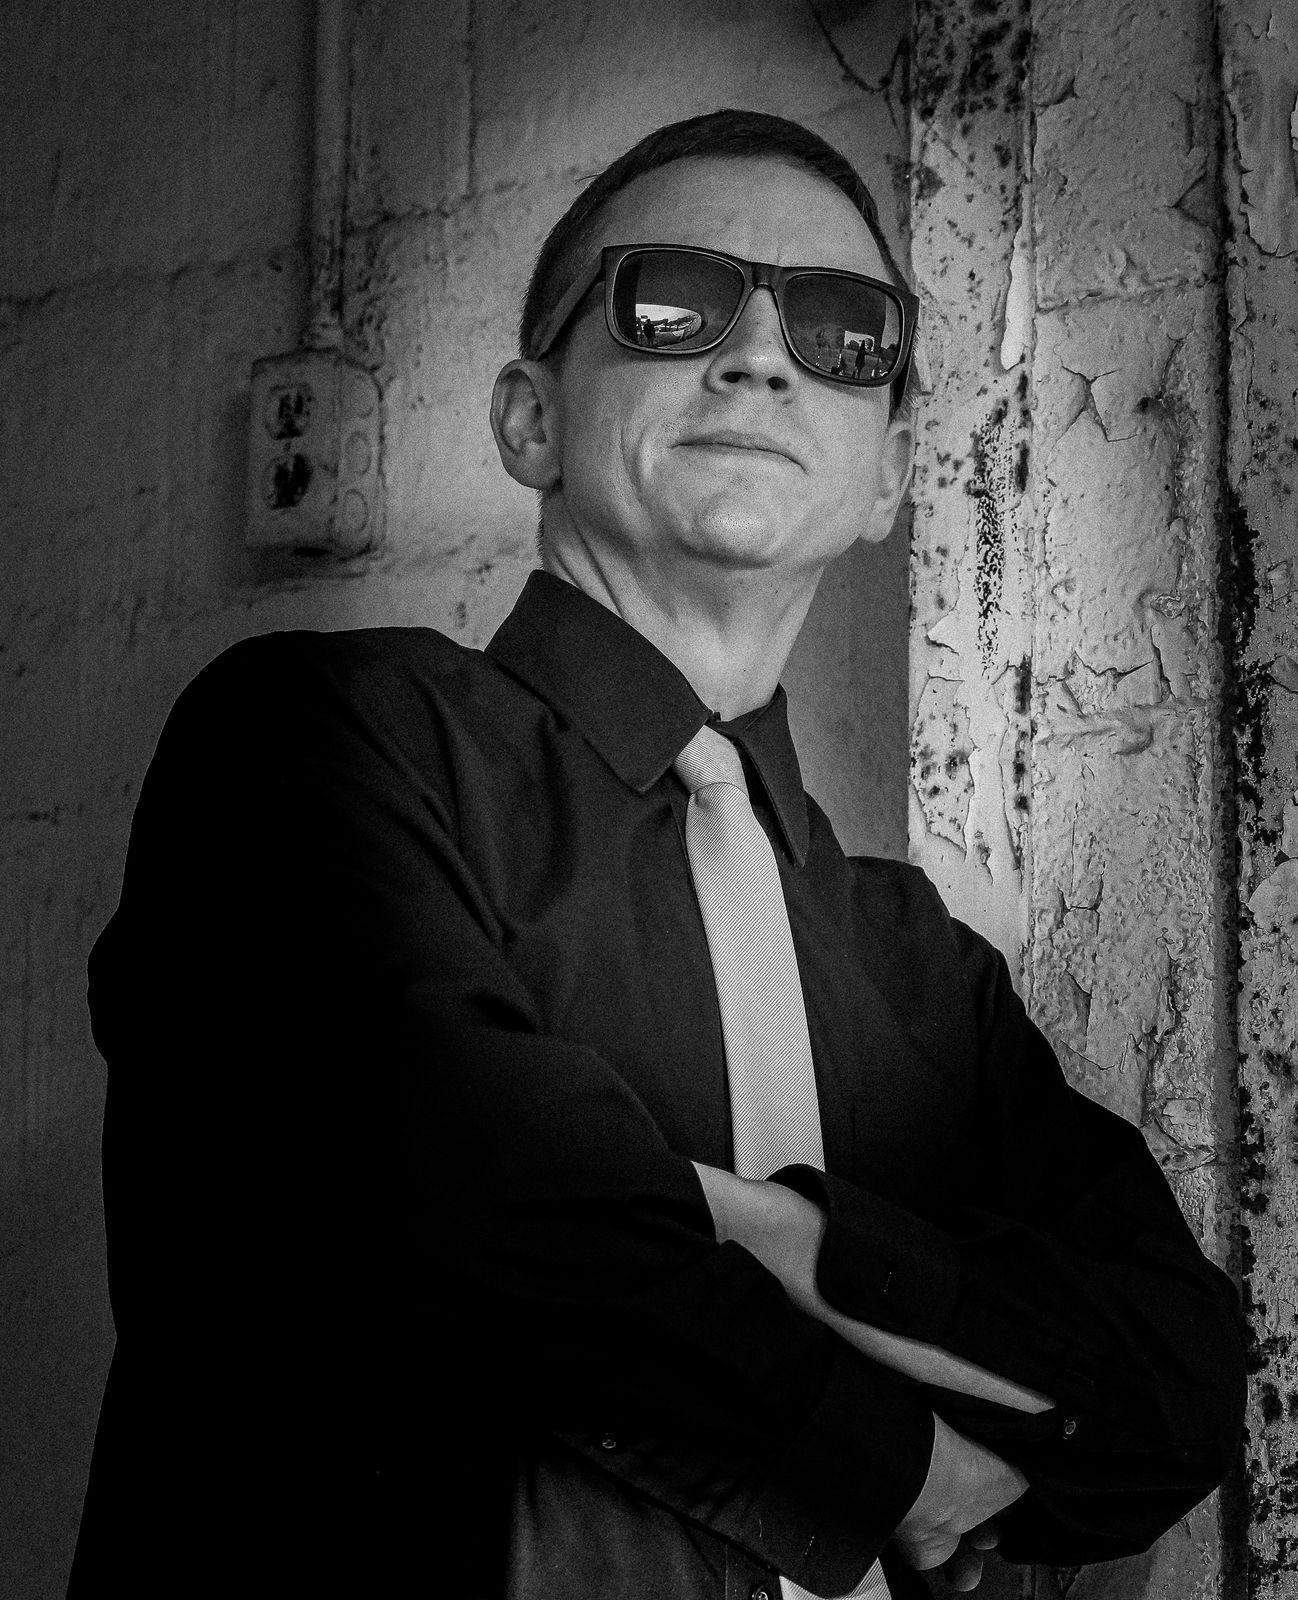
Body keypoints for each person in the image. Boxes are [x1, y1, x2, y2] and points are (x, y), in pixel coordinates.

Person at [70, 110, 1244, 1599]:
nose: (758, 358)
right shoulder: (317, 738)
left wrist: (787, 1235)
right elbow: (488, 1212)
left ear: (890, 478)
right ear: (530, 421)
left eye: (841, 330)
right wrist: (917, 1465)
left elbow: (1180, 1387)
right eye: (672, 303)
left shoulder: (920, 966)